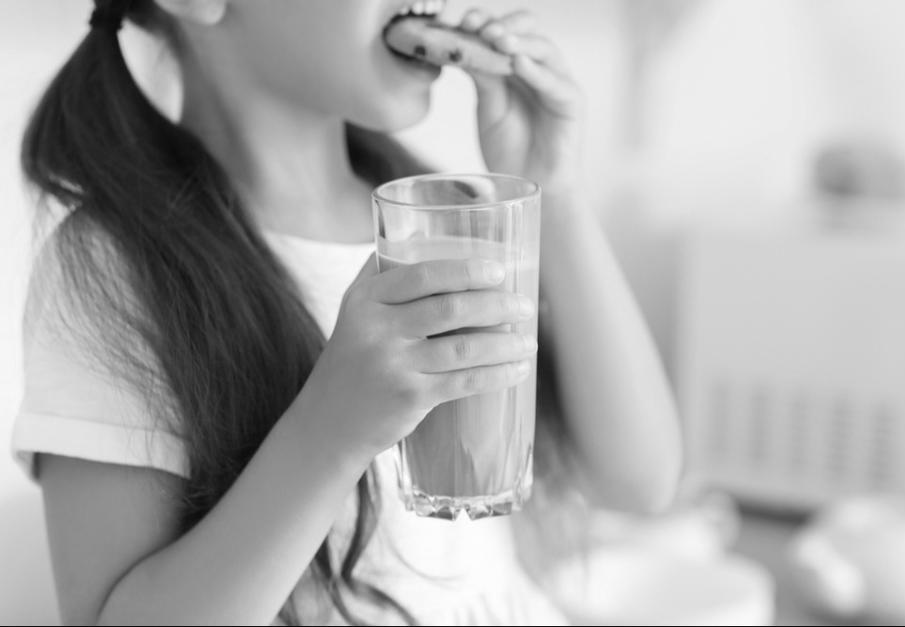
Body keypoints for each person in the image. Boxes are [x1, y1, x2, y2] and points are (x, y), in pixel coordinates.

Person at [12, 0, 682, 624]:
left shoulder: (449, 217)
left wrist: (553, 195)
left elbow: (641, 480)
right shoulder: (111, 268)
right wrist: (330, 429)